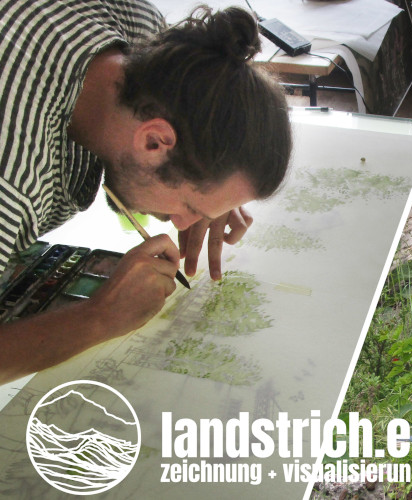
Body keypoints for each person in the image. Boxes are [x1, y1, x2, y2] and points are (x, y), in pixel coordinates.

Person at [0, 1, 291, 384]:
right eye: (189, 206)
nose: (186, 222)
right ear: (154, 142)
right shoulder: (14, 177)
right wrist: (100, 317)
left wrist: (212, 197)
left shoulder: (143, 32)